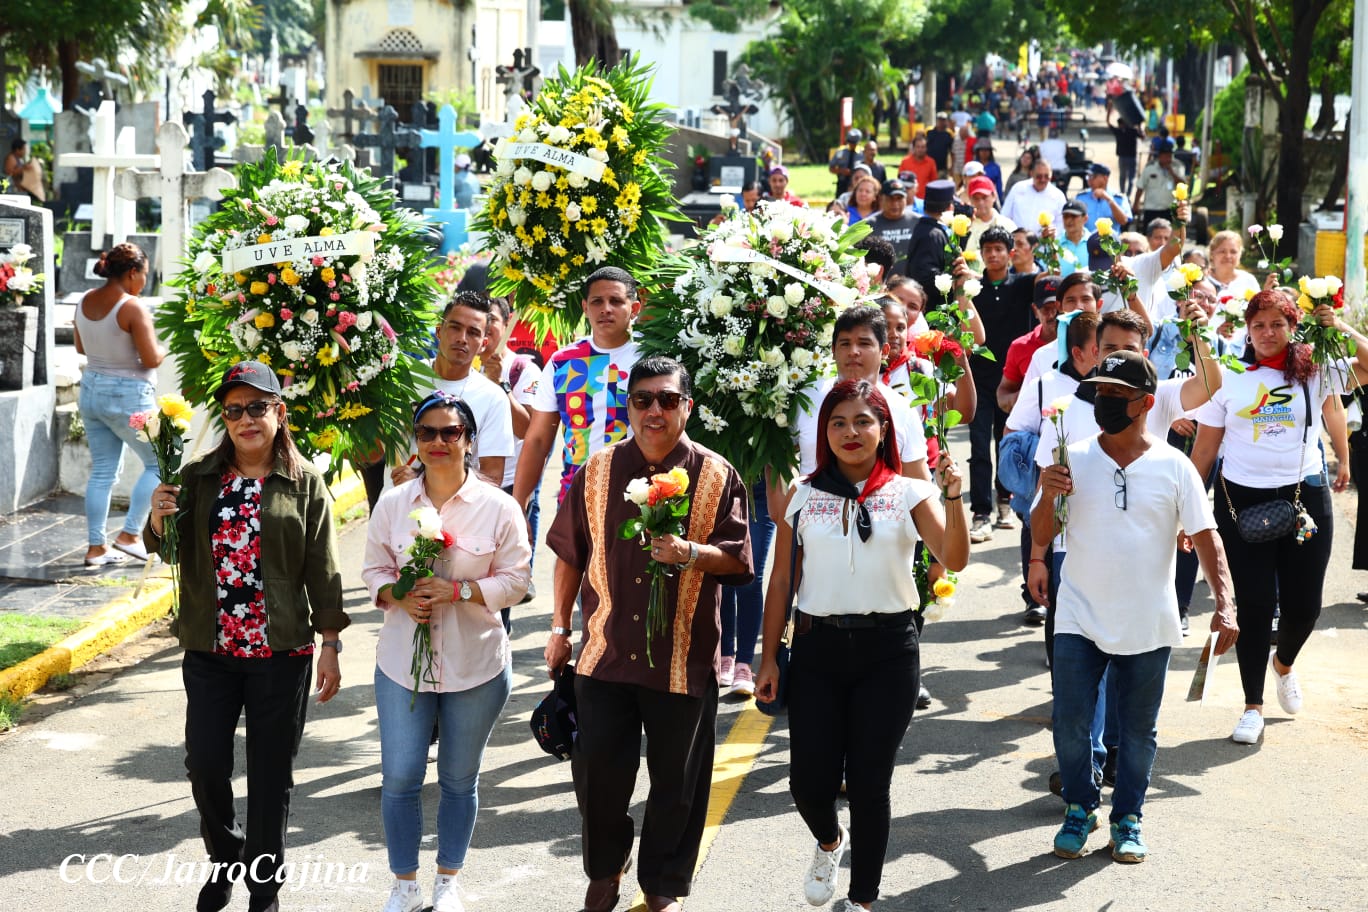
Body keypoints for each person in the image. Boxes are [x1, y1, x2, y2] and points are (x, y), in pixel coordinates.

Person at [545, 356, 753, 912]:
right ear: (628, 405)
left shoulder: (716, 474)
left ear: (688, 406)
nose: (654, 410)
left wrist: (692, 554)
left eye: (667, 399)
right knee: (598, 777)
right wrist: (558, 627)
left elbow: (737, 562)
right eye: (642, 399)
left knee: (677, 784)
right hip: (603, 653)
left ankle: (662, 884)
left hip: (681, 656)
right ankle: (605, 870)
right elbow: (570, 552)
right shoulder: (598, 470)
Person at [755, 379, 969, 911]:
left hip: (889, 652)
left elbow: (954, 556)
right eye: (838, 423)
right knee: (808, 783)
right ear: (824, 432)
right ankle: (829, 842)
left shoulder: (910, 492)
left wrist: (955, 496)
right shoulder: (803, 495)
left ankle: (863, 900)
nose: (851, 432)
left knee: (871, 785)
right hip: (816, 651)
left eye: (863, 421)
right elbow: (781, 581)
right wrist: (766, 659)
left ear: (883, 429)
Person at [145, 362, 348, 912]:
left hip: (280, 650)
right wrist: (159, 519)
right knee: (205, 762)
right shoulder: (197, 476)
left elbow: (323, 568)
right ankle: (225, 857)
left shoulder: (304, 483)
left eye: (257, 407)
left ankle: (264, 886)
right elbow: (165, 550)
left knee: (270, 773)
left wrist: (330, 643)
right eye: (233, 410)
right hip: (210, 649)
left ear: (279, 414)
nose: (245, 420)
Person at [1031, 350, 1238, 865]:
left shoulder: (1175, 466)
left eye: (1117, 396)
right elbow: (1042, 533)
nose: (1104, 402)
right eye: (1100, 392)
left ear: (1146, 402)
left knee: (1139, 730)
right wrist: (1046, 494)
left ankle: (1128, 818)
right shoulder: (1071, 457)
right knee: (1071, 723)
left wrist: (1225, 603)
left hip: (1148, 619)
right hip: (1078, 614)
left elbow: (1207, 537)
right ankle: (1080, 808)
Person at [363, 392, 531, 912]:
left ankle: (447, 881)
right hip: (402, 667)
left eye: (450, 432)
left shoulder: (498, 506)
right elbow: (373, 573)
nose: (438, 442)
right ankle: (405, 885)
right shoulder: (393, 504)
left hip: (476, 666)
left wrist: (460, 591)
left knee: (459, 780)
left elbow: (518, 580)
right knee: (400, 777)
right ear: (416, 441)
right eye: (427, 433)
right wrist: (399, 595)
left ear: (469, 440)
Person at [1189, 291, 1368, 745]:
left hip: (1305, 496)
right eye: (1259, 325)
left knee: (1304, 607)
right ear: (1247, 331)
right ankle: (1252, 706)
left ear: (1293, 327)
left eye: (1277, 324)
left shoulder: (1315, 369)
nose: (1268, 333)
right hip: (1238, 502)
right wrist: (1184, 510)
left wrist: (1340, 327)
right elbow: (1205, 448)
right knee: (1252, 606)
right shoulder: (1228, 376)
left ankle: (1283, 664)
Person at [512, 267, 640, 513]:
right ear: (585, 307)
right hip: (576, 497)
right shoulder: (563, 362)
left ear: (634, 308)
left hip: (639, 501)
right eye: (597, 301)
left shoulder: (651, 360)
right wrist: (518, 505)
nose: (606, 309)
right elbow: (538, 440)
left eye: (616, 301)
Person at [74, 243, 164, 567]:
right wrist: (164, 349)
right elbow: (152, 358)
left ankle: (96, 548)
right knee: (160, 463)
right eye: (145, 274)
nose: (145, 281)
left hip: (91, 390)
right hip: (129, 395)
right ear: (131, 273)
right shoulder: (132, 307)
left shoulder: (84, 301)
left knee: (102, 472)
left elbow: (81, 348)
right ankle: (129, 535)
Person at [391, 292, 515, 490]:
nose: (462, 339)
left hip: (457, 516)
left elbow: (492, 478)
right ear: (439, 331)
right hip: (394, 511)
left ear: (483, 344)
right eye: (455, 328)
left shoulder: (493, 397)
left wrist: (422, 481)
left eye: (473, 333)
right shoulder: (403, 378)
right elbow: (370, 453)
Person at [961, 226, 1037, 543]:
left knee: (1007, 443)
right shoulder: (971, 287)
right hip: (978, 379)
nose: (993, 255)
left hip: (1011, 381)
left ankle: (1004, 501)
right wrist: (960, 287)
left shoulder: (1023, 284)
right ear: (981, 254)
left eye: (999, 249)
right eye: (987, 249)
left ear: (1011, 253)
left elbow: (1052, 282)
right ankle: (981, 511)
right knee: (979, 448)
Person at [863, 179, 920, 275]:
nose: (895, 204)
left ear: (906, 199)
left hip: (912, 285)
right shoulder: (868, 225)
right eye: (890, 199)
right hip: (879, 286)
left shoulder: (918, 222)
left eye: (899, 199)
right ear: (881, 199)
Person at [1133, 140, 1185, 230]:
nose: (1168, 158)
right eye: (1165, 156)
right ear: (1160, 156)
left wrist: (1172, 172)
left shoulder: (1178, 167)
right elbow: (1140, 187)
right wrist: (1136, 204)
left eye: (1169, 156)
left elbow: (1182, 185)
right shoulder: (1150, 168)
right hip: (1151, 209)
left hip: (1168, 209)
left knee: (1168, 237)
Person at [1002, 159, 1067, 231]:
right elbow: (1005, 215)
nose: (1043, 180)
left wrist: (1053, 233)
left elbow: (1062, 224)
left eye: (1046, 176)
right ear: (1031, 173)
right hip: (1018, 239)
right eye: (1039, 176)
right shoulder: (1018, 188)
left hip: (1044, 241)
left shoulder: (1058, 195)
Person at [964, 175, 1017, 253]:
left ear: (994, 196)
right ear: (970, 199)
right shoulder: (965, 227)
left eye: (984, 197)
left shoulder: (1007, 225)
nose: (980, 202)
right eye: (976, 198)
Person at [1075, 163, 1132, 234]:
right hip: (1087, 242)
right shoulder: (1081, 197)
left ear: (1105, 178)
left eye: (1093, 176)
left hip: (1110, 242)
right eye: (1088, 176)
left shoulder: (1118, 198)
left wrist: (1109, 200)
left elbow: (1124, 221)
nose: (1089, 180)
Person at [1106, 106, 1144, 196]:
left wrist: (1109, 110)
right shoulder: (1133, 131)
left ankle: (1122, 193)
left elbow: (1108, 122)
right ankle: (1128, 194)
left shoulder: (1118, 131)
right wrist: (1139, 124)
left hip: (1122, 157)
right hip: (1132, 157)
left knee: (1122, 177)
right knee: (1131, 178)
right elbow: (1143, 136)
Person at [897, 136, 938, 200]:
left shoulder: (931, 162)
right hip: (908, 199)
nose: (920, 149)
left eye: (923, 147)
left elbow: (934, 182)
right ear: (913, 148)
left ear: (926, 148)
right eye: (918, 147)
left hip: (925, 199)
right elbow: (900, 181)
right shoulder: (905, 161)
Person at [1057, 201, 1090, 277]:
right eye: (1065, 216)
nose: (1069, 220)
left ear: (1085, 218)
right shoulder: (1054, 245)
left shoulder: (1094, 243)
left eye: (1073, 216)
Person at [829, 128, 865, 198]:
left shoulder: (862, 153)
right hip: (842, 182)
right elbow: (831, 168)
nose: (852, 145)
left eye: (854, 143)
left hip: (857, 183)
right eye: (850, 142)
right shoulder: (840, 151)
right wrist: (841, 171)